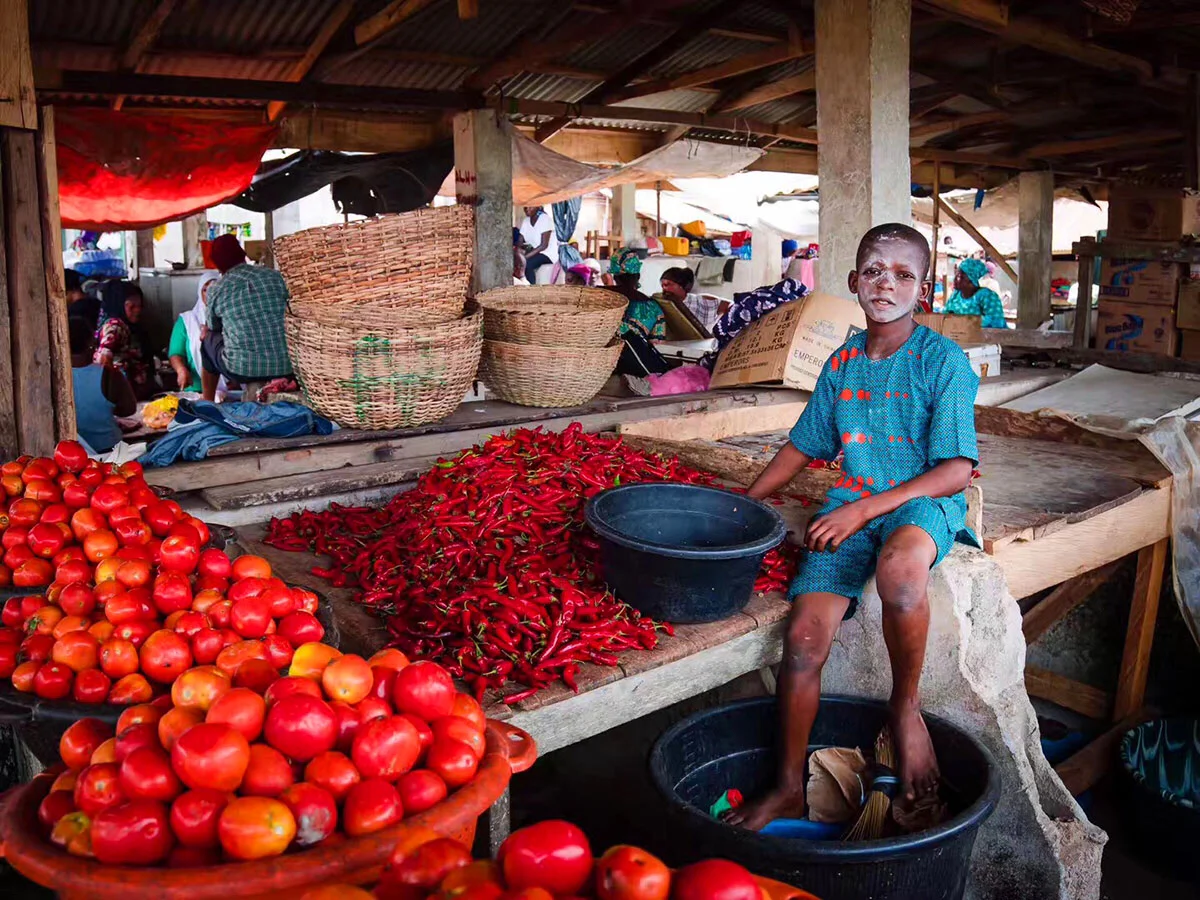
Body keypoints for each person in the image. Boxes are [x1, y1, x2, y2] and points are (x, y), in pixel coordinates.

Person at [724, 224, 979, 831]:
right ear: (852, 281)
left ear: (924, 288)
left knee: (899, 572)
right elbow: (801, 448)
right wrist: (742, 505)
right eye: (872, 270)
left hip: (921, 501)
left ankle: (906, 707)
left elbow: (956, 470)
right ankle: (788, 786)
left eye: (903, 274)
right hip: (852, 505)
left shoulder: (943, 362)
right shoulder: (841, 363)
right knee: (804, 642)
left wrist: (865, 509)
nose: (885, 283)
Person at [201, 234, 291, 402]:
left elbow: (213, 327)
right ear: (243, 254)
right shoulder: (274, 276)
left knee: (207, 340)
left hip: (242, 369)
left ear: (216, 264)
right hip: (287, 365)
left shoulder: (217, 289)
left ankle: (207, 402)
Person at [71, 316, 136, 454]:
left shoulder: (55, 379)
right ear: (92, 342)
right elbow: (128, 409)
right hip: (110, 451)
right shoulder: (110, 375)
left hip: (72, 454)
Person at [94, 281, 155, 400]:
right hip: (123, 395)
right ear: (119, 305)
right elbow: (103, 359)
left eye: (140, 306)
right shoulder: (115, 326)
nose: (137, 310)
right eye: (131, 306)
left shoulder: (127, 326)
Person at [168, 272, 219, 392]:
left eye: (214, 289)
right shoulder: (187, 320)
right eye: (205, 289)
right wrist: (181, 370)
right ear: (200, 293)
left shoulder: (231, 318)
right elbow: (176, 353)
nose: (210, 294)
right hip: (197, 389)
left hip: (232, 390)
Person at [660, 266, 729, 334]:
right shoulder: (666, 303)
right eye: (662, 286)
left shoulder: (697, 301)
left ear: (681, 285)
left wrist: (720, 318)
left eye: (667, 284)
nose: (664, 289)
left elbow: (726, 304)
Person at [945, 257, 1007, 329]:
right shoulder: (955, 295)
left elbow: (996, 322)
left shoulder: (987, 296)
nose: (955, 279)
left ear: (971, 280)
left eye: (960, 276)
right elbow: (946, 315)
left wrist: (965, 323)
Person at [518, 206, 558, 285]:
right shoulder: (526, 221)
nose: (527, 209)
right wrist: (517, 252)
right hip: (534, 251)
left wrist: (525, 257)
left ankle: (532, 289)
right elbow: (519, 241)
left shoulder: (545, 220)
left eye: (530, 207)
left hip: (547, 253)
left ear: (538, 207)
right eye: (525, 207)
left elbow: (543, 246)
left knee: (528, 264)